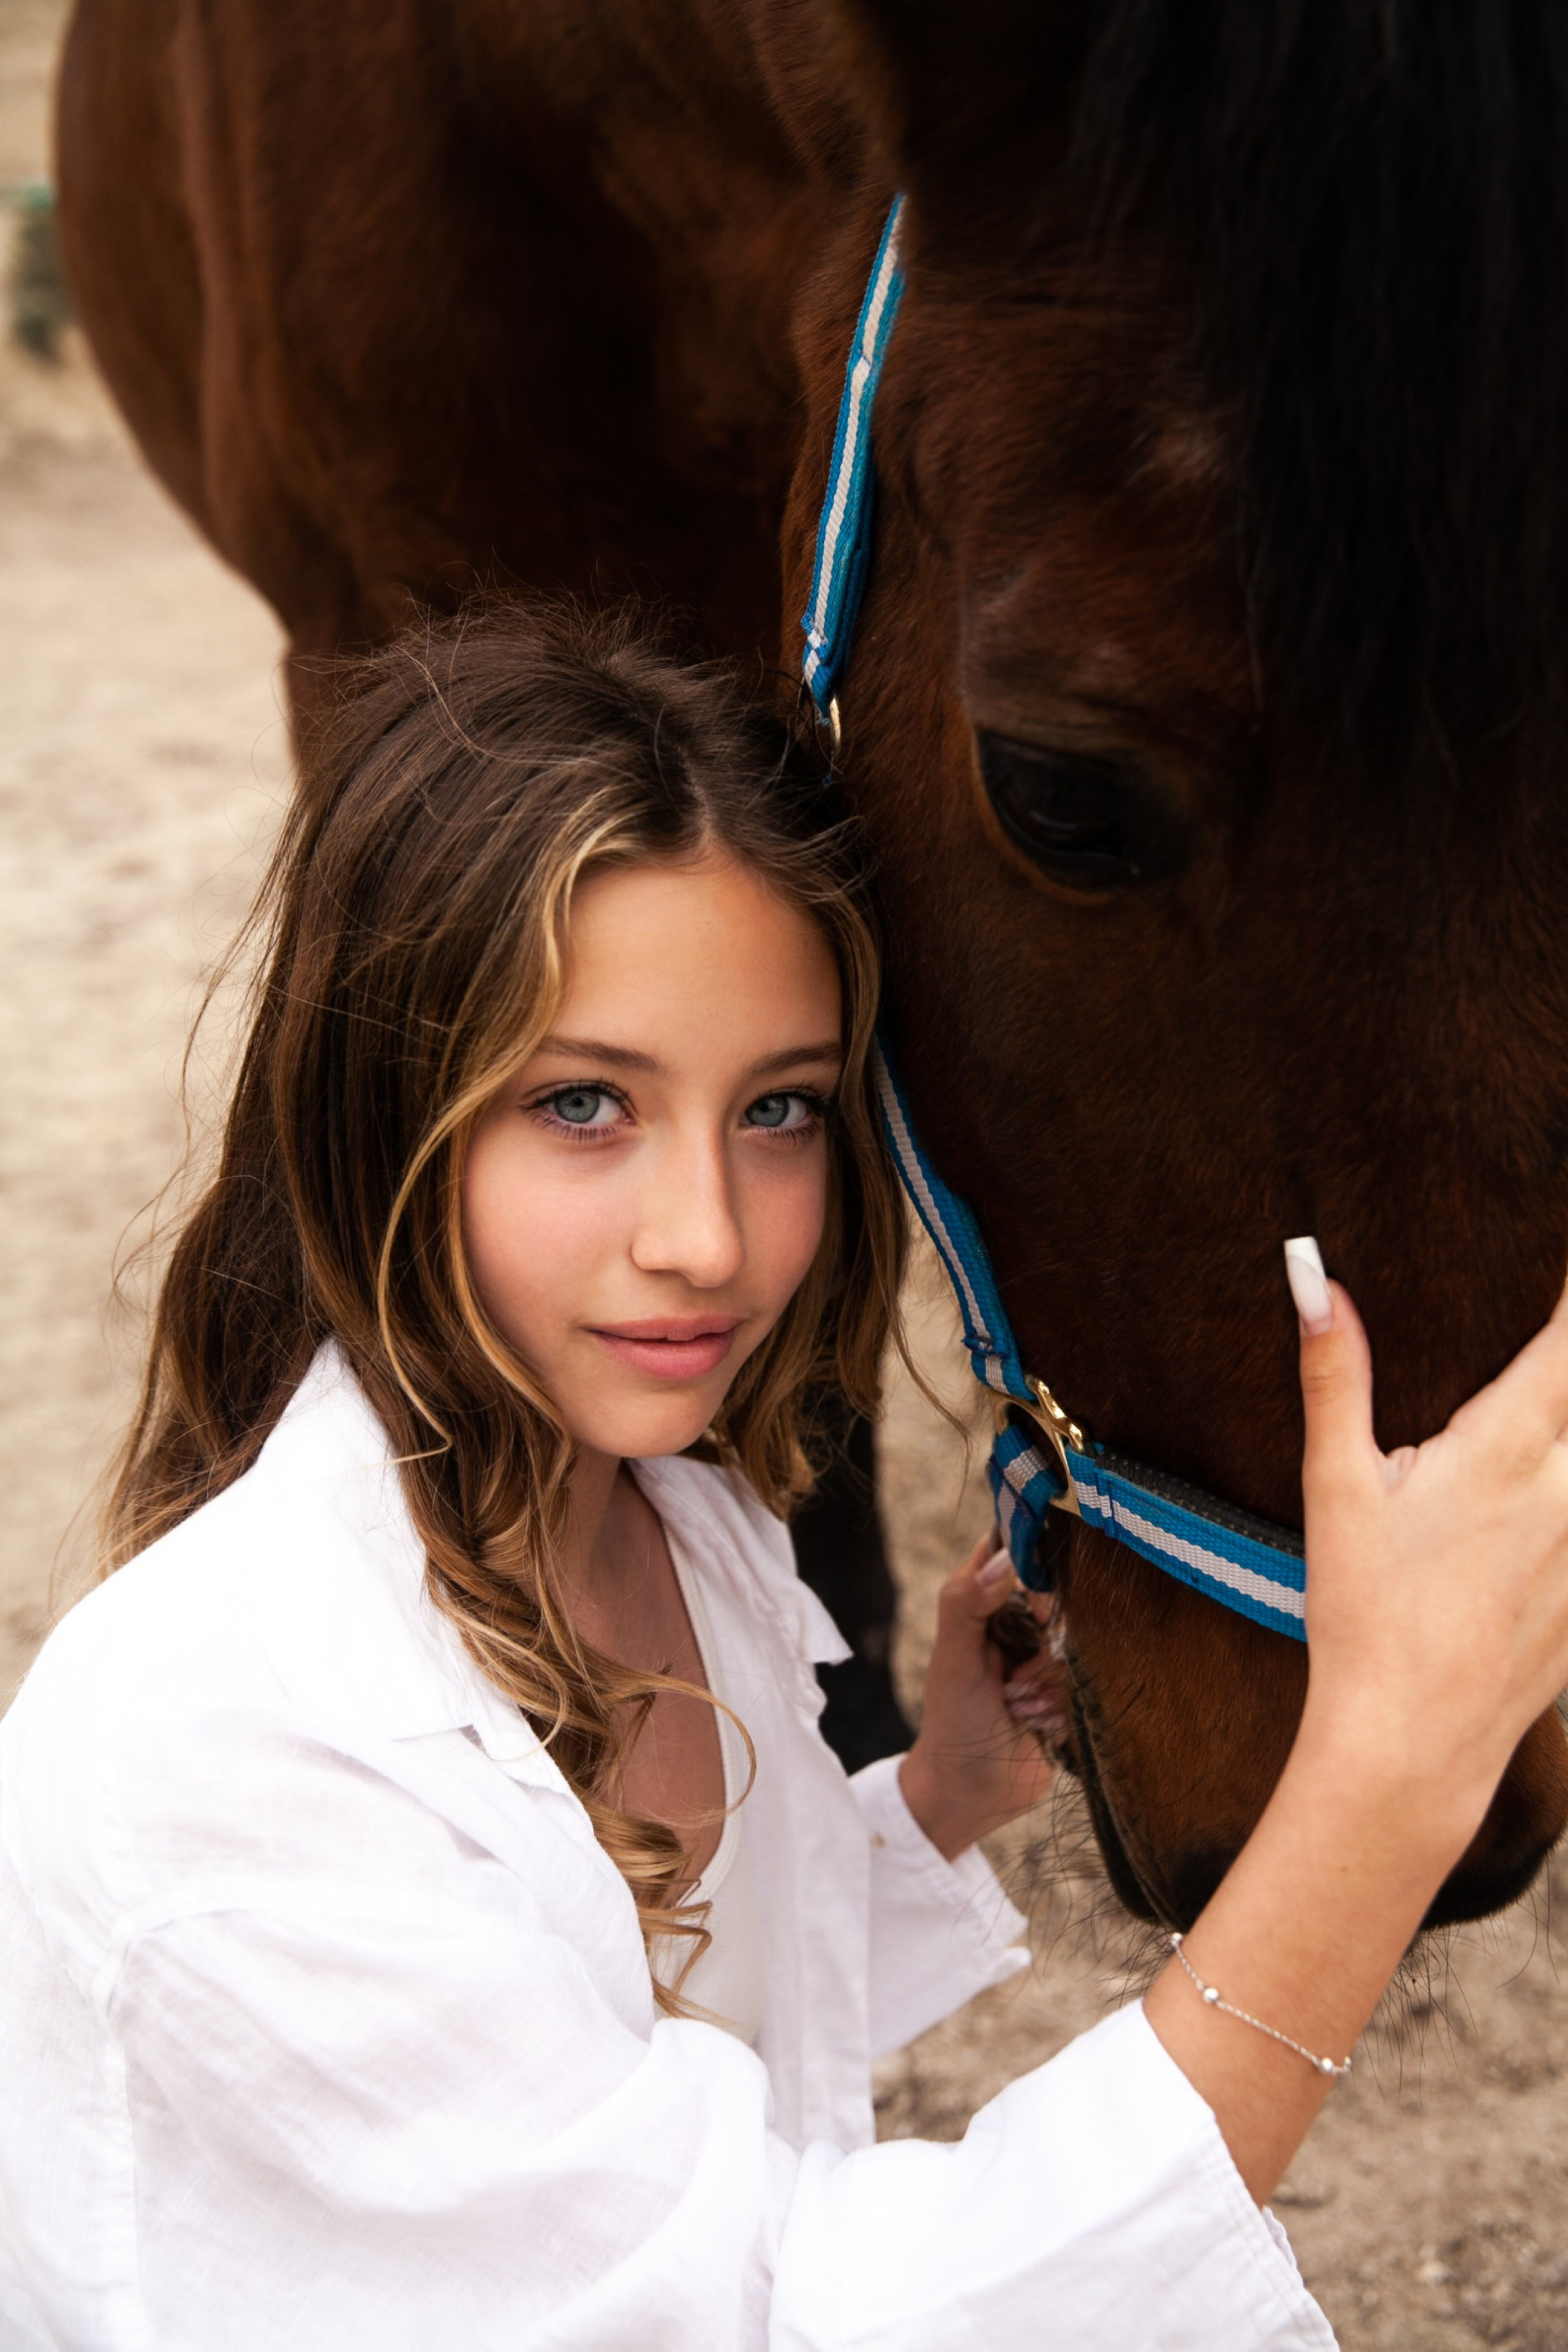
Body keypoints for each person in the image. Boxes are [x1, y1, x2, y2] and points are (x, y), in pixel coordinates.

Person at [4, 608, 1568, 2352]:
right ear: (386, 1108)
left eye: (782, 1111)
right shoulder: (223, 1755)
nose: (710, 1241)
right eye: (585, 1105)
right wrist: (1389, 1776)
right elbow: (778, 2314)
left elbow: (618, 2034)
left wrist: (925, 1807)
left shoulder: (674, 1526)